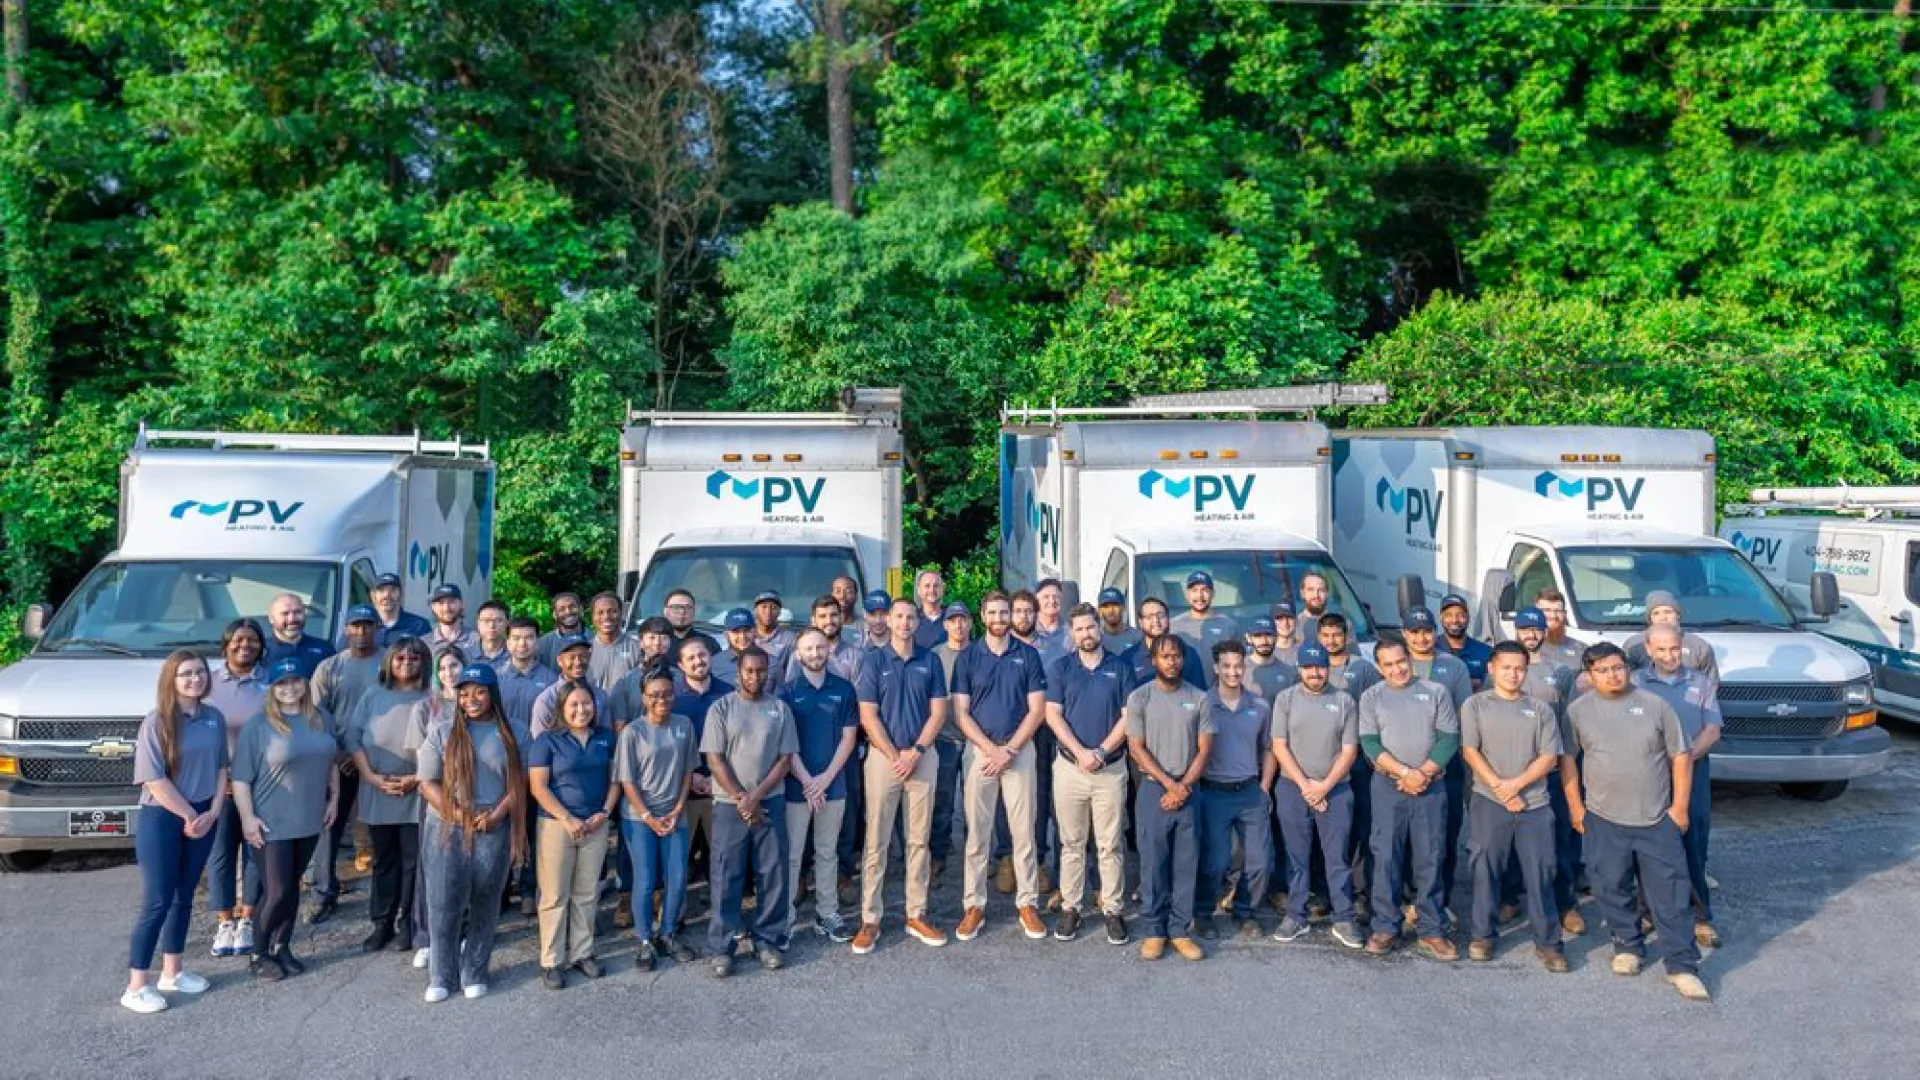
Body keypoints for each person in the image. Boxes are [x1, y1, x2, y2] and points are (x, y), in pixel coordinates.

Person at [1562, 644, 1709, 1001]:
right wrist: (1576, 809)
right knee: (1611, 886)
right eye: (1603, 670)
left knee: (1670, 893)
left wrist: (1680, 808)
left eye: (1618, 667)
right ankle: (1627, 946)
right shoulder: (1577, 712)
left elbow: (1681, 756)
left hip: (1656, 818)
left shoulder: (1656, 706)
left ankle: (1682, 965)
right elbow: (1568, 759)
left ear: (1627, 668)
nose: (1613, 675)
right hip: (1603, 818)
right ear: (1590, 675)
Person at [122, 650, 228, 1014]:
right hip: (163, 817)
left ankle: (173, 972)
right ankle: (137, 985)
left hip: (203, 815)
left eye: (199, 672)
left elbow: (220, 769)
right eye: (185, 674)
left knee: (184, 897)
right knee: (157, 900)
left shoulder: (213, 717)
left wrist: (213, 811)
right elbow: (154, 778)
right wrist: (187, 815)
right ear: (172, 679)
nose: (194, 679)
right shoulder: (157, 722)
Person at [417, 664, 528, 1002]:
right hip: (446, 826)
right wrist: (457, 814)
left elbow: (520, 781)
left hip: (493, 825)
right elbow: (427, 782)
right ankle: (441, 974)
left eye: (479, 692)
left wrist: (497, 814)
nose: (472, 699)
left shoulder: (514, 731)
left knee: (486, 899)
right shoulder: (441, 730)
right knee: (442, 901)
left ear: (492, 693)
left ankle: (475, 969)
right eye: (464, 693)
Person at [1459, 642, 1567, 971]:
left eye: (1519, 668)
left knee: (1540, 871)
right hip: (1489, 800)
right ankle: (1483, 935)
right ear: (1491, 668)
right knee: (1485, 867)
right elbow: (1470, 750)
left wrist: (1515, 785)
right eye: (1506, 667)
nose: (1513, 674)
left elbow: (1549, 757)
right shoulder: (1475, 705)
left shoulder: (1541, 709)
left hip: (1534, 802)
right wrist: (1499, 787)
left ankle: (1548, 942)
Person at [852, 599, 951, 953]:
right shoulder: (873, 660)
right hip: (884, 759)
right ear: (888, 621)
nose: (905, 623)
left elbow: (938, 713)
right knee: (877, 841)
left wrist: (916, 753)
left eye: (911, 617)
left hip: (922, 757)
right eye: (899, 617)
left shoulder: (931, 660)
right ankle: (870, 918)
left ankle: (916, 913)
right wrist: (897, 756)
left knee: (918, 840)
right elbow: (868, 716)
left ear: (917, 621)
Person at [232, 659, 340, 981]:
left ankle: (283, 947)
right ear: (272, 688)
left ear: (305, 684)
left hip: (308, 817)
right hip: (271, 820)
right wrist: (248, 818)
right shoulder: (259, 726)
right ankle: (258, 952)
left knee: (291, 886)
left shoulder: (321, 718)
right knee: (277, 891)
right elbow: (240, 779)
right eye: (281, 683)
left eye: (295, 681)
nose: (289, 688)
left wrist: (333, 798)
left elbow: (330, 760)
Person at [951, 591, 1049, 942]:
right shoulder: (968, 658)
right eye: (992, 611)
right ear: (983, 614)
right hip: (980, 753)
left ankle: (1027, 903)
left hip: (1018, 752)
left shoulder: (1028, 656)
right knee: (977, 834)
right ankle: (974, 905)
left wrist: (1008, 750)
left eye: (1004, 611)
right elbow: (961, 713)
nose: (999, 616)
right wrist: (991, 749)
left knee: (1024, 832)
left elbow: (1036, 710)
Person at [1358, 640, 1460, 960]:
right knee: (1386, 855)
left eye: (1401, 661)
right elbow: (1370, 743)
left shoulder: (1435, 692)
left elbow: (1449, 739)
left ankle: (1431, 928)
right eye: (1388, 665)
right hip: (1388, 787)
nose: (1397, 669)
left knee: (1430, 856)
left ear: (1410, 659)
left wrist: (1423, 774)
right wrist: (1404, 772)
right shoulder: (1371, 697)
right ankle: (1386, 925)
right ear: (1379, 668)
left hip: (1430, 787)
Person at [701, 648, 799, 976]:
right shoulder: (721, 709)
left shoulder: (779, 709)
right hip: (730, 805)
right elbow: (714, 758)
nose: (755, 677)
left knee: (772, 872)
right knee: (726, 874)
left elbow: (785, 758)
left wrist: (756, 796)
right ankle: (723, 947)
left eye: (760, 671)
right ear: (739, 671)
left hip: (769, 800)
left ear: (768, 671)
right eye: (749, 671)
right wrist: (741, 797)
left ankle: (768, 939)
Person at [1044, 603, 1133, 945]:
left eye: (1090, 627)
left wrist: (1100, 752)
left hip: (1109, 769)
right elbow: (1053, 715)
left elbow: (1128, 717)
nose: (1085, 634)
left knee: (1110, 844)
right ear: (1072, 634)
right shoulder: (1061, 668)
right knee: (1072, 842)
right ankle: (1071, 907)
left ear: (1099, 628)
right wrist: (1081, 753)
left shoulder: (1120, 668)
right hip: (1070, 768)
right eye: (1078, 629)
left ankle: (1113, 909)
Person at [1633, 625, 1723, 949]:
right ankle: (1646, 913)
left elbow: (1712, 729)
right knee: (1648, 845)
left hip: (1693, 771)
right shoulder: (1636, 683)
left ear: (1682, 645)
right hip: (1649, 775)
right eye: (1661, 650)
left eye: (1674, 648)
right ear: (1648, 648)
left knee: (1692, 843)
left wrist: (1682, 760)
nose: (1668, 656)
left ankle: (1700, 916)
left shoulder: (1700, 683)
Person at [1268, 644, 1362, 947]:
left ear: (1327, 668)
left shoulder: (1344, 700)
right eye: (1309, 667)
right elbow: (1279, 745)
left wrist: (1323, 786)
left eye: (1320, 666)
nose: (1315, 672)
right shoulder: (1286, 699)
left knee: (1337, 858)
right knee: (1297, 856)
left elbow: (1349, 750)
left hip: (1335, 790)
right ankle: (1296, 915)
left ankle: (1344, 918)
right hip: (1293, 788)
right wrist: (1306, 785)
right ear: (1300, 669)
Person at [1127, 635, 1214, 962]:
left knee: (1185, 863)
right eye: (1165, 657)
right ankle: (1154, 930)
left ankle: (1179, 929)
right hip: (1153, 790)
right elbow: (1136, 747)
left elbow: (1205, 749)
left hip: (1189, 791)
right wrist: (1168, 784)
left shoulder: (1200, 698)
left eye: (1176, 656)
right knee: (1153, 864)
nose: (1172, 662)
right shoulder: (1140, 697)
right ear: (1154, 661)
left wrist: (1183, 786)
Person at [344, 638, 433, 957]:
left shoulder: (432, 698)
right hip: (377, 787)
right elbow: (353, 737)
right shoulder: (373, 695)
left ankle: (409, 922)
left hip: (418, 789)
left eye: (414, 657)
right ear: (389, 663)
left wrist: (415, 778)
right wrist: (369, 775)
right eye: (400, 658)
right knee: (384, 861)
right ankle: (382, 923)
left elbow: (442, 743)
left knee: (413, 861)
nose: (407, 662)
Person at [527, 680, 619, 989]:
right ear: (562, 709)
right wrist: (566, 818)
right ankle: (551, 960)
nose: (582, 710)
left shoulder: (606, 738)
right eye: (574, 705)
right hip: (556, 824)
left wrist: (604, 812)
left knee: (586, 892)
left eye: (587, 703)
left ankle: (583, 953)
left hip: (595, 823)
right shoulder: (547, 741)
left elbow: (615, 780)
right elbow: (538, 786)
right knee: (554, 894)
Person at [305, 604, 382, 924]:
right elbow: (315, 715)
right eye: (355, 625)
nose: (362, 631)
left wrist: (361, 754)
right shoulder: (329, 667)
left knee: (382, 827)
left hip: (380, 756)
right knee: (329, 825)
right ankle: (323, 892)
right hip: (338, 760)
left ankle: (386, 892)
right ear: (346, 629)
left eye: (367, 625)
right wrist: (339, 753)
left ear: (377, 627)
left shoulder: (390, 662)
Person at [617, 670, 699, 970]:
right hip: (639, 817)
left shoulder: (684, 725)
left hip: (676, 814)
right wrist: (648, 816)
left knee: (677, 878)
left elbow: (689, 769)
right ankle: (644, 940)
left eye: (666, 693)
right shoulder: (632, 732)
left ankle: (668, 934)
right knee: (646, 879)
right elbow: (627, 781)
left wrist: (678, 808)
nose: (661, 699)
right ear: (644, 698)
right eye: (654, 695)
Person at [783, 629, 861, 943]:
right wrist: (807, 780)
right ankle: (785, 918)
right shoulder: (786, 692)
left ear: (828, 650)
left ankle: (826, 913)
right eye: (808, 649)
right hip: (796, 787)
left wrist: (825, 779)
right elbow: (785, 745)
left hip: (833, 784)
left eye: (820, 647)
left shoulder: (843, 690)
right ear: (798, 654)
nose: (815, 653)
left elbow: (849, 738)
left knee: (827, 852)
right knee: (792, 854)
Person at [1194, 640, 1273, 940]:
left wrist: (1265, 785)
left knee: (1259, 860)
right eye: (1226, 666)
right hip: (1214, 792)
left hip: (1250, 792)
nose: (1233, 672)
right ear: (1216, 668)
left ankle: (1245, 911)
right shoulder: (1203, 703)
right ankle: (1202, 912)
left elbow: (1269, 748)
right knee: (1215, 861)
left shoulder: (1260, 706)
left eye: (1238, 666)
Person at [1401, 607, 1474, 917]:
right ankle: (1408, 899)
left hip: (1447, 767)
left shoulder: (1454, 667)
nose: (1421, 637)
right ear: (1405, 634)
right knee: (1404, 838)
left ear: (1435, 632)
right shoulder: (1394, 664)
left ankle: (1439, 902)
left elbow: (1462, 716)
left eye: (1426, 631)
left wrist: (1440, 759)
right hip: (1403, 767)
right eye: (1414, 631)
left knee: (1444, 835)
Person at [205, 618, 267, 959]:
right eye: (238, 640)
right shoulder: (209, 683)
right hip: (219, 785)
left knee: (256, 851)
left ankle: (248, 919)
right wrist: (221, 779)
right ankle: (224, 923)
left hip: (261, 783)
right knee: (221, 854)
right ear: (226, 644)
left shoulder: (272, 683)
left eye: (253, 640)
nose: (245, 646)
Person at [928, 601, 972, 882]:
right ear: (944, 625)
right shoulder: (934, 656)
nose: (958, 625)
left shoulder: (981, 653)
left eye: (962, 619)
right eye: (952, 620)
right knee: (942, 803)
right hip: (943, 739)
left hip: (975, 740)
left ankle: (974, 857)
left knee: (974, 803)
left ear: (970, 623)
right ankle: (938, 856)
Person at [1625, 591, 1721, 693]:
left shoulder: (1699, 646)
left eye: (1668, 612)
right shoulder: (1634, 644)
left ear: (1678, 615)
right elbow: (1626, 682)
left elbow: (1711, 683)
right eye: (1656, 613)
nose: (1663, 618)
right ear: (1650, 618)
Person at [531, 636, 608, 740]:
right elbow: (539, 741)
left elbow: (607, 738)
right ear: (559, 660)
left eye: (583, 656)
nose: (578, 662)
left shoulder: (600, 696)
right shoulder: (546, 699)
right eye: (571, 657)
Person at [1120, 598, 1206, 691]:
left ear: (1168, 619)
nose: (1156, 621)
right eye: (1149, 617)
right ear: (1140, 623)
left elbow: (1200, 694)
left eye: (1160, 616)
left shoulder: (1188, 654)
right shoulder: (1127, 659)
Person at [1170, 571, 1241, 683]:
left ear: (1213, 593)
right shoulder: (1173, 627)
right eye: (1194, 590)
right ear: (1187, 595)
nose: (1199, 596)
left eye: (1205, 590)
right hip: (1184, 693)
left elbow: (1240, 663)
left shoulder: (1229, 625)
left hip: (1219, 694)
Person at [783, 594, 867, 688]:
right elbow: (791, 693)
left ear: (841, 617)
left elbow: (859, 698)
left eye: (833, 615)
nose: (829, 621)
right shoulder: (799, 656)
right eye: (822, 616)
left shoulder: (855, 657)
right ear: (813, 621)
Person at [261, 592, 335, 675]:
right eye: (285, 613)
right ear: (271, 618)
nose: (292, 619)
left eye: (297, 612)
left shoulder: (325, 649)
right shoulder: (259, 651)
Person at [585, 592, 642, 694]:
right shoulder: (584, 651)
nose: (606, 616)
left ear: (621, 613)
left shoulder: (638, 647)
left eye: (612, 611)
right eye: (600, 612)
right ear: (593, 617)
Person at [1437, 594, 1492, 690]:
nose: (1454, 620)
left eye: (1460, 615)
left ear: (1468, 617)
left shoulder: (1485, 652)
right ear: (1441, 618)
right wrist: (1469, 682)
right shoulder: (1432, 648)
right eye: (1448, 615)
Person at [370, 573, 433, 647]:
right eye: (381, 590)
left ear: (401, 594)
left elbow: (427, 656)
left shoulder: (420, 626)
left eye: (393, 590)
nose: (387, 595)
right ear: (373, 596)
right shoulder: (365, 626)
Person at [663, 588, 722, 667]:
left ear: (694, 611)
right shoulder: (656, 644)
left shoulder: (709, 643)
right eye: (676, 607)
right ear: (666, 612)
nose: (682, 612)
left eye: (687, 607)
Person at [1242, 615, 1296, 701]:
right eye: (1258, 635)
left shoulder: (1289, 672)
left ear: (1276, 637)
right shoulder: (1238, 670)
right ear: (1248, 638)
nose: (1264, 641)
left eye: (1268, 635)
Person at [1535, 588, 1586, 673]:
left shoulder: (1580, 649)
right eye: (1547, 610)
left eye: (1558, 611)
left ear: (1565, 614)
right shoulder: (1522, 649)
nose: (1553, 616)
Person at [751, 591, 798, 676]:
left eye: (773, 608)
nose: (768, 612)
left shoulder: (789, 638)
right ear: (755, 611)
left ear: (779, 612)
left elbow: (793, 671)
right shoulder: (747, 635)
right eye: (763, 607)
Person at [537, 592, 588, 668]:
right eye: (562, 609)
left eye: (572, 607)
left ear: (581, 609)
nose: (568, 612)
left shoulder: (595, 639)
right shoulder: (543, 644)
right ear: (554, 615)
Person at [427, 584, 479, 654]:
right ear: (433, 607)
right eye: (441, 603)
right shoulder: (425, 643)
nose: (446, 608)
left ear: (461, 604)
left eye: (452, 601)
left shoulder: (477, 640)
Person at [712, 608, 755, 685]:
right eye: (736, 631)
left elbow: (778, 696)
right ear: (726, 635)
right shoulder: (714, 663)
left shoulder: (771, 663)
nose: (742, 636)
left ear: (755, 632)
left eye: (747, 630)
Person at [1031, 579, 1070, 664]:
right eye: (1046, 597)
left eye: (1056, 597)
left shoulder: (1071, 631)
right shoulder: (1027, 629)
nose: (1052, 601)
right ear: (1036, 601)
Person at [1095, 587, 1142, 656]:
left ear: (1123, 607)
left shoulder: (1138, 637)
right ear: (1099, 610)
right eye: (1105, 606)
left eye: (1115, 605)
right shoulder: (1095, 639)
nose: (1111, 610)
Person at [912, 570, 947, 651]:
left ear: (943, 589)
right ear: (919, 590)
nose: (932, 590)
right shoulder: (911, 618)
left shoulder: (952, 617)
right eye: (927, 586)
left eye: (936, 586)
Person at [471, 601, 510, 668]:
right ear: (478, 623)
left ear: (507, 623)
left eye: (498, 621)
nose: (492, 625)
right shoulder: (465, 654)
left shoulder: (515, 653)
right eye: (486, 621)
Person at [1297, 574, 1333, 644]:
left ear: (1327, 594)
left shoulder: (1343, 624)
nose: (1316, 595)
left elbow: (1352, 654)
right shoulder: (1291, 627)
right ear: (1302, 594)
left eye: (1321, 590)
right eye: (1310, 590)